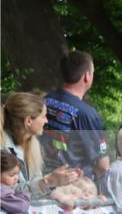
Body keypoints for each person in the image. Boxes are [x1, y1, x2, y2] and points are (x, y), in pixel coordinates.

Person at [42, 51, 109, 180]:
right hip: (74, 186)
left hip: (46, 178)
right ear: (86, 76)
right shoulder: (87, 114)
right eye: (93, 72)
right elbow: (103, 164)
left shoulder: (45, 100)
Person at [1, 92, 81, 197]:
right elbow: (11, 193)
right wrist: (47, 181)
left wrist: (58, 181)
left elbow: (33, 186)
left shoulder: (32, 146)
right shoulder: (2, 151)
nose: (46, 121)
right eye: (43, 116)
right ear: (29, 121)